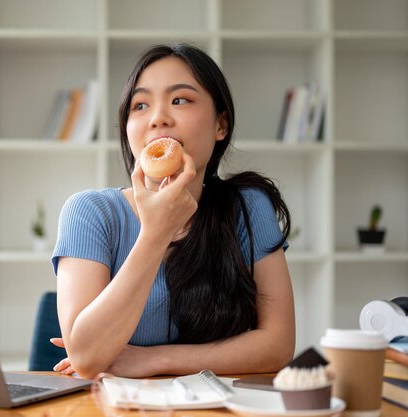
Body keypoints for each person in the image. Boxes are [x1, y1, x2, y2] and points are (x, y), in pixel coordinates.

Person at [50, 43, 295, 379]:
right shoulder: (88, 213)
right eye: (140, 105)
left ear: (220, 125)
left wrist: (153, 359)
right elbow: (88, 357)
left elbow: (278, 346)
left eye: (180, 100)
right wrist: (155, 233)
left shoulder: (248, 208)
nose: (158, 118)